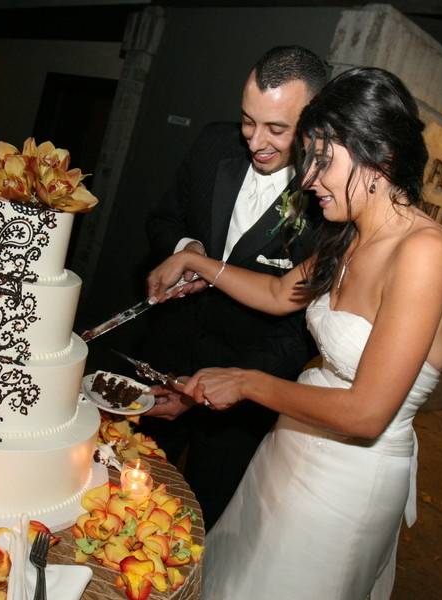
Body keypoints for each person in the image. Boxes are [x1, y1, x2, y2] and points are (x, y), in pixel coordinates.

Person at [146, 67, 442, 599]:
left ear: (379, 155)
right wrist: (196, 263)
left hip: (347, 481)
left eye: (322, 160)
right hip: (290, 447)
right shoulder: (351, 235)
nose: (307, 178)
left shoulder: (425, 253)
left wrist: (247, 383)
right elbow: (276, 294)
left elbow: (366, 414)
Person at [140, 46, 328, 530]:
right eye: (248, 121)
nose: (256, 141)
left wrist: (214, 386)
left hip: (237, 407)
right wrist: (190, 246)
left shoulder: (329, 202)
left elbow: (300, 334)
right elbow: (164, 219)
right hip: (164, 361)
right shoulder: (212, 144)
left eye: (277, 129)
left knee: (196, 531)